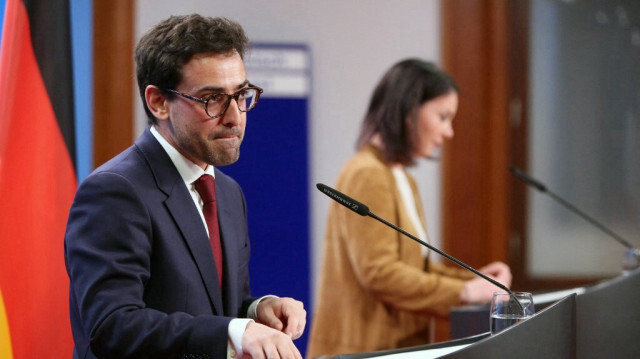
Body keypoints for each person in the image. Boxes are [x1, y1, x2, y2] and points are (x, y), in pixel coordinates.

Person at [64, 14, 306, 359]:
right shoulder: (114, 191)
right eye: (212, 98)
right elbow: (111, 325)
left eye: (241, 94)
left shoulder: (226, 191)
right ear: (158, 102)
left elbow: (217, 306)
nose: (235, 116)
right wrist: (235, 331)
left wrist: (256, 312)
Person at [306, 59, 512, 358]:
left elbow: (417, 268)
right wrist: (464, 293)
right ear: (408, 110)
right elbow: (381, 274)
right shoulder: (367, 173)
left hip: (396, 348)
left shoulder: (400, 176)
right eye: (443, 117)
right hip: (364, 349)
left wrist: (474, 280)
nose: (449, 132)